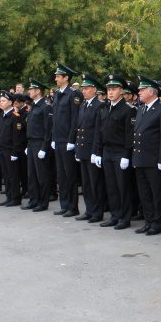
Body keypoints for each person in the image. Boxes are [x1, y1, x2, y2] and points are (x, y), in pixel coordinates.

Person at [132, 75, 161, 235]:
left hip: (154, 160)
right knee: (145, 194)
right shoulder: (141, 108)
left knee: (157, 194)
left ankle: (158, 222)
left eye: (142, 90)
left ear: (151, 91)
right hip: (141, 158)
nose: (139, 92)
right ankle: (149, 221)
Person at [96, 74, 136, 230]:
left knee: (123, 186)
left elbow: (129, 135)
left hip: (120, 152)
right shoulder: (105, 108)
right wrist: (99, 151)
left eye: (114, 89)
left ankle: (125, 218)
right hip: (107, 150)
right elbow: (101, 132)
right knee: (111, 186)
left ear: (121, 90)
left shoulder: (128, 110)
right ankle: (115, 215)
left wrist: (126, 155)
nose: (110, 92)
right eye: (109, 89)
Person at [52, 61, 83, 218]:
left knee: (70, 174)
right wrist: (53, 137)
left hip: (67, 141)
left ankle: (73, 206)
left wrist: (72, 140)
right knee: (61, 174)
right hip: (58, 139)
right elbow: (56, 118)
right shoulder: (58, 94)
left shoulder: (74, 94)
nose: (56, 78)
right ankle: (64, 204)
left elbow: (74, 119)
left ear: (66, 77)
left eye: (58, 76)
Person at [75, 73, 105, 222]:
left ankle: (97, 212)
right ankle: (89, 209)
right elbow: (80, 128)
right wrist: (77, 149)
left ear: (94, 89)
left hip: (92, 150)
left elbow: (97, 131)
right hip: (82, 149)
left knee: (96, 183)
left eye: (86, 88)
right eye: (83, 88)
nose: (83, 91)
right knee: (86, 183)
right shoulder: (83, 105)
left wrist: (96, 151)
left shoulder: (99, 106)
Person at [22, 78, 53, 212]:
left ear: (38, 91)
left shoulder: (46, 107)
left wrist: (45, 147)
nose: (29, 91)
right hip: (32, 143)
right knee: (32, 175)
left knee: (42, 176)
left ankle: (42, 202)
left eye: (31, 89)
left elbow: (48, 129)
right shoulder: (34, 105)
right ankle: (33, 200)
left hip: (40, 142)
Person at [0, 90, 25, 206]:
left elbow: (17, 137)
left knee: (13, 175)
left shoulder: (15, 117)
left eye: (3, 101)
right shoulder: (2, 115)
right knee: (6, 175)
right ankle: (9, 196)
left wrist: (15, 152)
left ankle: (15, 197)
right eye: (1, 101)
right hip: (2, 149)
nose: (1, 103)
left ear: (10, 102)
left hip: (10, 150)